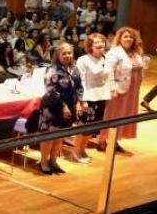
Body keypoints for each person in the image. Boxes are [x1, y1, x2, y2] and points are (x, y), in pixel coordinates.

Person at [37, 43, 84, 175]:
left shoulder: (74, 69)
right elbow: (51, 90)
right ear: (57, 55)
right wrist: (63, 106)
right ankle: (43, 162)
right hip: (52, 108)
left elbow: (79, 87)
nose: (67, 56)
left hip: (69, 107)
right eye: (64, 53)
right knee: (49, 137)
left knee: (59, 137)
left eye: (69, 53)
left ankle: (53, 161)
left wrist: (79, 102)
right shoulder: (52, 69)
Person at [101, 27, 147, 152]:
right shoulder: (115, 52)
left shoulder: (136, 53)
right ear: (120, 38)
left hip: (132, 91)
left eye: (131, 37)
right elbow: (108, 71)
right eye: (126, 36)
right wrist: (112, 88)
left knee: (124, 115)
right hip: (118, 89)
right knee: (113, 115)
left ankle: (115, 140)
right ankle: (103, 141)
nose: (129, 39)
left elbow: (140, 69)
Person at [73, 33, 112, 163]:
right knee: (83, 127)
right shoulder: (83, 60)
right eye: (97, 43)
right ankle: (76, 151)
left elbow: (108, 78)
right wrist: (81, 100)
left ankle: (83, 150)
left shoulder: (105, 59)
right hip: (88, 97)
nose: (101, 45)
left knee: (92, 128)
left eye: (102, 42)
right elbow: (80, 81)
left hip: (101, 97)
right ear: (90, 46)